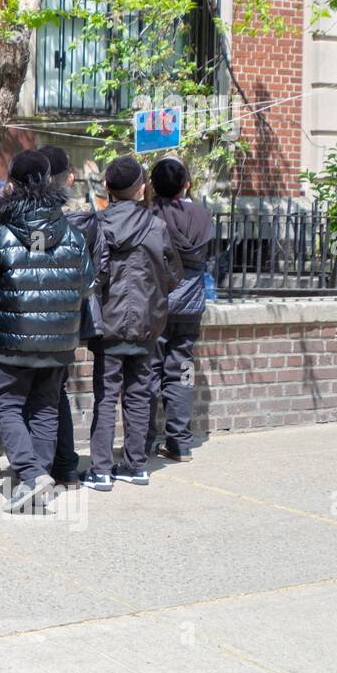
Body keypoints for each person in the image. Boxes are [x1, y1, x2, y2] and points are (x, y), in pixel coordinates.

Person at [0, 150, 94, 513]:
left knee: (6, 403)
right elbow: (87, 284)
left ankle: (29, 473)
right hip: (60, 336)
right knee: (44, 406)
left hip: (15, 333)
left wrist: (7, 295)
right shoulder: (72, 232)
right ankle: (38, 478)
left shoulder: (1, 230)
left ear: (12, 184)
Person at [81, 156, 182, 491]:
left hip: (108, 323)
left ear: (107, 187)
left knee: (106, 396)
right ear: (141, 189)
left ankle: (101, 469)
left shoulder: (99, 223)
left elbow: (93, 273)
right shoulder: (157, 226)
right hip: (146, 323)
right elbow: (173, 275)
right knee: (140, 394)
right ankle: (136, 465)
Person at [146, 156, 214, 462]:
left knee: (147, 372)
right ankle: (180, 443)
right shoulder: (202, 215)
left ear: (153, 185)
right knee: (182, 372)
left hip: (158, 303)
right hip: (191, 305)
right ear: (186, 183)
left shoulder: (151, 215)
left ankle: (143, 440)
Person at [39, 144, 98, 489]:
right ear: (69, 178)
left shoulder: (26, 218)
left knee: (35, 396)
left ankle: (40, 469)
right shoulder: (83, 221)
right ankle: (65, 467)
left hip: (27, 321)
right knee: (55, 392)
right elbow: (92, 278)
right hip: (67, 319)